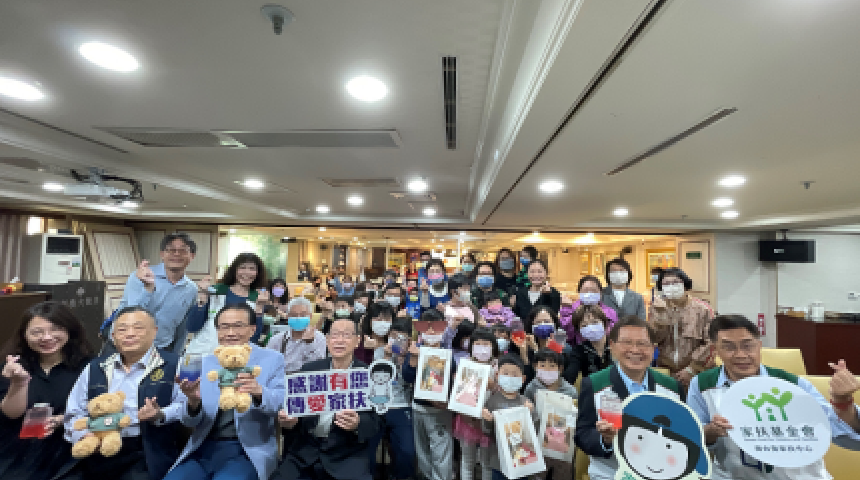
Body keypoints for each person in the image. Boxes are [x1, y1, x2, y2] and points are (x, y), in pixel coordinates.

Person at [688, 315, 860, 479]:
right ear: (715, 350)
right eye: (729, 347)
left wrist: (843, 404)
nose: (740, 355)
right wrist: (710, 431)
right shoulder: (702, 385)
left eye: (748, 346)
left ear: (759, 346)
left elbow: (848, 438)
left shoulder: (792, 385)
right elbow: (692, 442)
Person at [61, 307, 187, 480]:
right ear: (113, 336)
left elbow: (186, 406)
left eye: (138, 327)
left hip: (146, 449)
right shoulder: (95, 367)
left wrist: (160, 414)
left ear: (154, 332)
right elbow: (74, 412)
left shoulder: (174, 364)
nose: (130, 334)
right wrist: (83, 436)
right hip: (97, 444)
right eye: (122, 329)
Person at [165, 303, 286, 480]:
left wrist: (259, 391)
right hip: (203, 446)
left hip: (247, 450)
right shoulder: (203, 363)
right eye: (224, 327)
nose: (230, 333)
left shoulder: (272, 359)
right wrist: (193, 402)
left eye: (238, 326)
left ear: (252, 329)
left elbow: (281, 404)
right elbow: (188, 420)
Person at [273, 317, 383, 480]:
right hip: (305, 453)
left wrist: (357, 424)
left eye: (346, 335)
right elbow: (295, 414)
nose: (339, 340)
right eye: (335, 335)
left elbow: (377, 421)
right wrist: (290, 421)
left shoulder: (369, 375)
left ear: (357, 341)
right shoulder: (309, 370)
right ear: (327, 340)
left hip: (347, 455)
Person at [575, 316, 681, 480]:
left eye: (642, 344)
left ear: (653, 349)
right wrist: (605, 440)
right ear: (612, 346)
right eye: (627, 343)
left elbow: (681, 434)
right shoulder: (594, 384)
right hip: (611, 474)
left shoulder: (672, 387)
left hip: (659, 473)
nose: (635, 350)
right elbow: (582, 434)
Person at [0, 302, 94, 480]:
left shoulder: (89, 366)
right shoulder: (13, 367)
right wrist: (19, 383)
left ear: (69, 330)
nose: (47, 337)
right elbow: (11, 414)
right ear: (24, 335)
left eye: (55, 329)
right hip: (18, 454)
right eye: (37, 332)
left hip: (68, 455)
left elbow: (98, 409)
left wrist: (64, 419)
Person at [115, 232, 199, 355]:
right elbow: (131, 315)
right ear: (162, 254)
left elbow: (183, 327)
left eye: (183, 250)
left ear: (192, 256)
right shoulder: (141, 276)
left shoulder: (191, 289)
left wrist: (176, 354)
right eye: (171, 250)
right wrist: (148, 289)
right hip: (126, 345)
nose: (176, 254)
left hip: (162, 348)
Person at [402, 311, 454, 480]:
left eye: (435, 327)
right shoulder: (414, 351)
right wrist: (413, 359)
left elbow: (451, 381)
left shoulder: (447, 354)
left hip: (440, 411)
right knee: (422, 452)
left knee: (441, 453)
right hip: (418, 408)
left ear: (443, 329)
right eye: (426, 327)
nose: (431, 331)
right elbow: (407, 377)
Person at [186, 253, 268, 355]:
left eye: (252, 269)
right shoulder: (215, 291)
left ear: (258, 273)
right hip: (202, 353)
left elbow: (254, 338)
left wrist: (259, 308)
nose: (247, 272)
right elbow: (192, 327)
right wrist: (202, 297)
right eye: (242, 267)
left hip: (235, 357)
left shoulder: (257, 298)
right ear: (234, 270)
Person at [649, 267, 715, 387]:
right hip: (667, 372)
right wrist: (661, 315)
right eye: (666, 283)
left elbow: (711, 342)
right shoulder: (657, 308)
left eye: (675, 282)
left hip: (698, 372)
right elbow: (654, 339)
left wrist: (692, 369)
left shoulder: (702, 309)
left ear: (685, 284)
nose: (671, 286)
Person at [367, 318, 415, 480]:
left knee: (407, 451)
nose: (396, 341)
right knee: (366, 447)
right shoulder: (380, 352)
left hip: (402, 406)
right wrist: (387, 357)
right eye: (393, 336)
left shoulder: (412, 356)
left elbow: (409, 381)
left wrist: (403, 361)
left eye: (401, 338)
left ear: (409, 340)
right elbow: (376, 381)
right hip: (378, 405)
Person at [524, 348, 578, 480]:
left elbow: (574, 418)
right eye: (542, 365)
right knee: (538, 475)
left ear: (560, 369)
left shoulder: (570, 391)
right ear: (535, 366)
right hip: (538, 443)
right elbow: (526, 417)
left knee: (561, 474)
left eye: (552, 366)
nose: (547, 369)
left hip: (562, 444)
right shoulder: (531, 388)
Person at [481, 354, 537, 480]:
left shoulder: (526, 402)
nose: (510, 377)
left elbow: (534, 432)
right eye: (505, 373)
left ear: (523, 379)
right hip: (499, 461)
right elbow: (486, 431)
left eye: (515, 375)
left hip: (522, 460)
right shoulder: (492, 401)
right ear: (497, 375)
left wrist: (531, 414)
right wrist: (488, 420)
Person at [266, 298, 326, 375]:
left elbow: (318, 367)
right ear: (287, 317)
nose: (298, 318)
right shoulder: (276, 340)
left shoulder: (319, 338)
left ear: (310, 316)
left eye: (303, 315)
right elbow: (267, 364)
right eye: (293, 315)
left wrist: (310, 343)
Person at [560, 275, 618, 345]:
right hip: (579, 347)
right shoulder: (570, 309)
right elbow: (566, 335)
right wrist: (567, 309)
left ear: (600, 293)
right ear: (579, 292)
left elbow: (615, 335)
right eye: (585, 290)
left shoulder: (610, 312)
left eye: (593, 290)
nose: (589, 293)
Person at [563, 305, 612, 385]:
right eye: (584, 325)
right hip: (593, 390)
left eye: (594, 322)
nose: (591, 328)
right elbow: (569, 377)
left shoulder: (617, 344)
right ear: (579, 331)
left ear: (604, 323)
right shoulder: (579, 350)